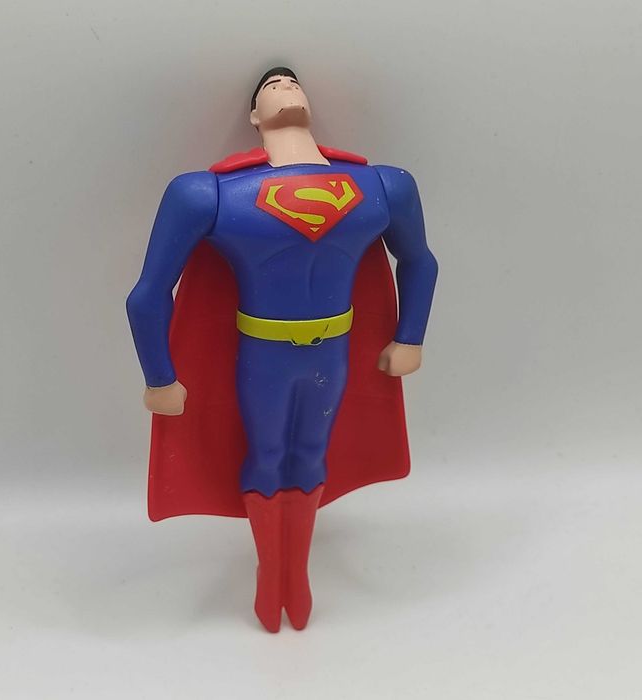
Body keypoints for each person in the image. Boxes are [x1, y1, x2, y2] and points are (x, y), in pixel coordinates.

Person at [127, 67, 438, 632]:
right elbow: (148, 293)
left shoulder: (382, 186)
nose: (285, 86)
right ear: (253, 116)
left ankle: (296, 573)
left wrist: (410, 335)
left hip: (331, 351)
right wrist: (158, 377)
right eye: (271, 87)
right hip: (264, 355)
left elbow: (419, 261)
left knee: (313, 455)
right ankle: (273, 577)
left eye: (293, 83)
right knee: (267, 455)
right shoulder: (209, 194)